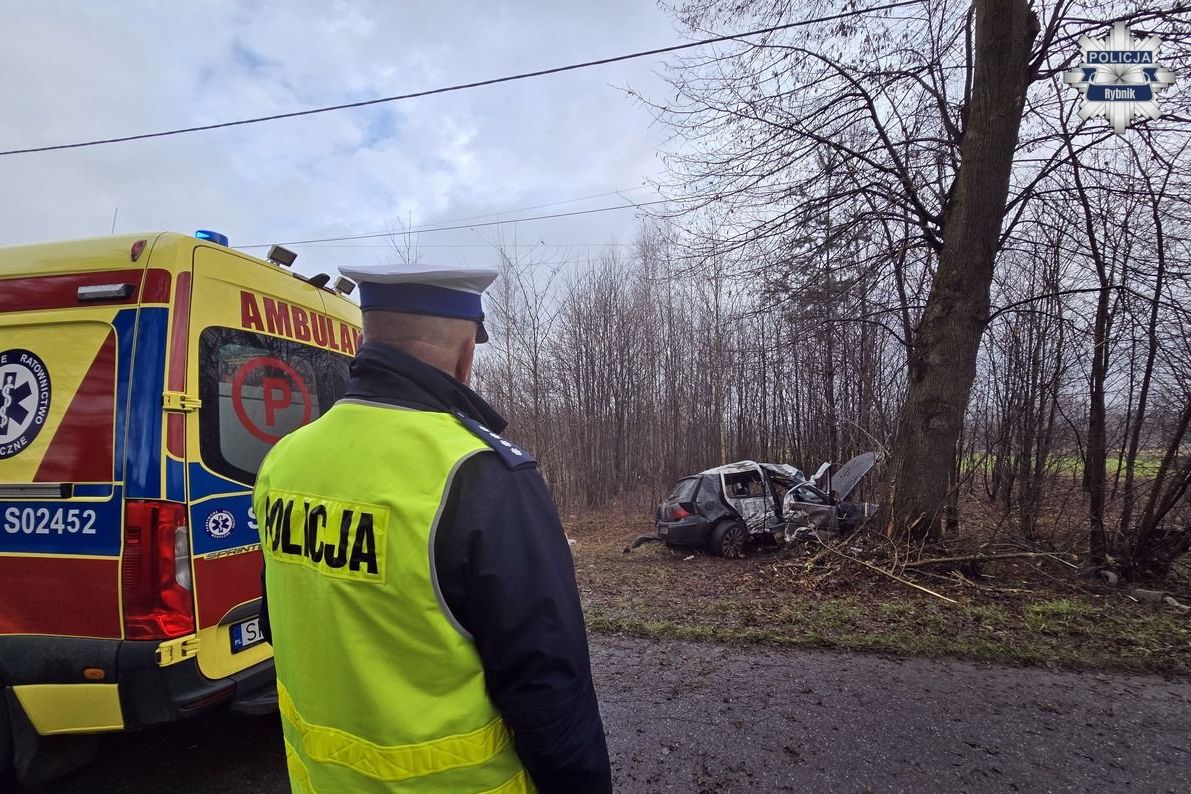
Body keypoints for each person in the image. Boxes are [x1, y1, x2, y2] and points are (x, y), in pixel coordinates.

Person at [254, 262, 612, 794]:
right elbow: (547, 687)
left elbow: (276, 618)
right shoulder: (480, 473)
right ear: (467, 354)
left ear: (366, 338)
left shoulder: (285, 459)